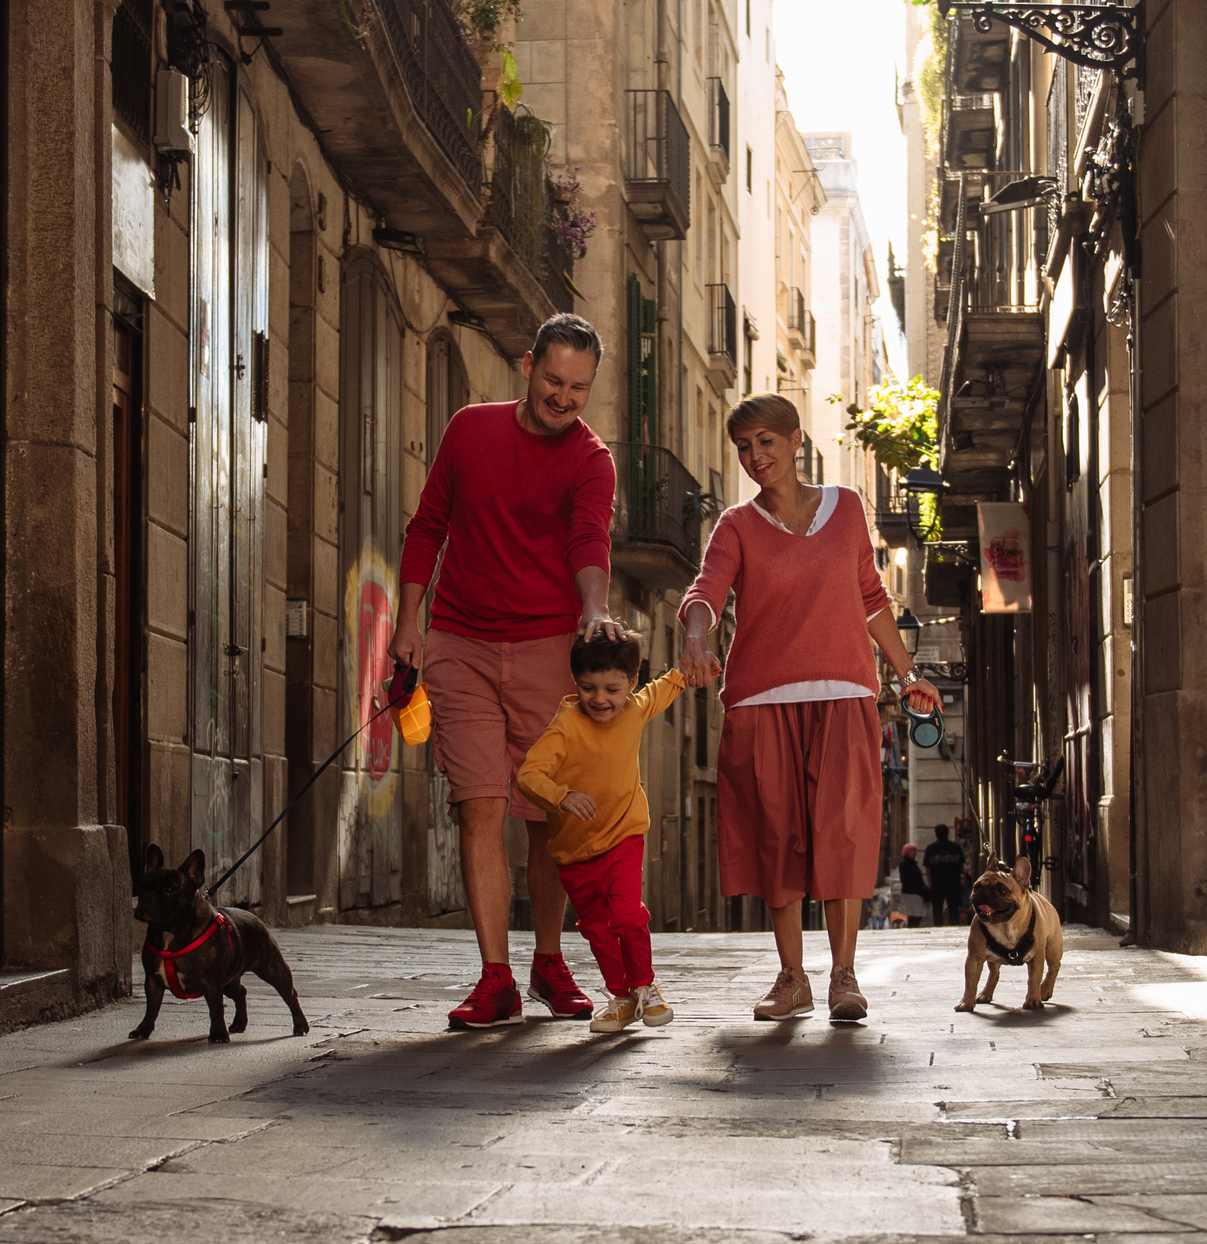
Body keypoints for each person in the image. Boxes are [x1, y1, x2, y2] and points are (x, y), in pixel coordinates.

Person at [391, 313, 627, 1030]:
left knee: (550, 813)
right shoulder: (470, 429)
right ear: (528, 365)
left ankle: (548, 960)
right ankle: (495, 975)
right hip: (458, 640)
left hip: (549, 647)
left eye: (579, 388)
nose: (564, 397)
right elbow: (428, 525)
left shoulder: (593, 460)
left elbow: (589, 536)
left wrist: (594, 609)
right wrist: (408, 622)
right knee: (481, 803)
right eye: (554, 380)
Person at [679, 394, 940, 1022]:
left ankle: (843, 976)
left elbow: (872, 597)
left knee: (843, 834)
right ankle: (792, 977)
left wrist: (907, 675)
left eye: (766, 441)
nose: (755, 456)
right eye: (744, 446)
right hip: (762, 702)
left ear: (797, 441)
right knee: (779, 839)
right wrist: (695, 632)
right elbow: (705, 592)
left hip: (847, 696)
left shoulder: (847, 507)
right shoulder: (736, 526)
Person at [513, 627, 691, 1034]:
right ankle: (622, 998)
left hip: (625, 835)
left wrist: (688, 673)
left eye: (612, 689)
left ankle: (645, 986)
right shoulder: (565, 726)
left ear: (630, 684)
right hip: (575, 852)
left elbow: (661, 690)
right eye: (588, 687)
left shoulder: (633, 708)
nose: (600, 698)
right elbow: (529, 775)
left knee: (627, 914)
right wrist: (562, 796)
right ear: (576, 683)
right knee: (596, 929)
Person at [923, 824, 968, 926]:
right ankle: (955, 926)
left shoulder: (931, 849)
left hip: (937, 884)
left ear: (936, 834)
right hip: (953, 883)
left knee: (937, 909)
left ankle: (938, 927)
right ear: (948, 833)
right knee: (953, 909)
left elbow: (928, 869)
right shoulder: (955, 847)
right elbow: (961, 866)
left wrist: (931, 884)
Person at [897, 842, 930, 926]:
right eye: (913, 850)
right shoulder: (904, 864)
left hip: (916, 894)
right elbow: (907, 879)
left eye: (916, 850)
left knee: (916, 915)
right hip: (911, 894)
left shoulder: (914, 864)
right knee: (914, 915)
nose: (915, 852)